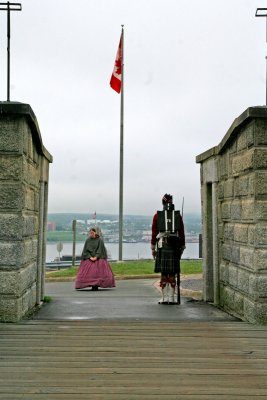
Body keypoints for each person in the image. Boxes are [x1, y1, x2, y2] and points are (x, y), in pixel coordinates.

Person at [151, 194, 185, 304]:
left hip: (163, 246)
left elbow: (154, 233)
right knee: (172, 273)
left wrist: (153, 248)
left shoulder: (157, 216)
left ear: (163, 203)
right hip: (174, 247)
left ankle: (165, 298)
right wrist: (182, 246)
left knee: (164, 273)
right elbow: (182, 233)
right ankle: (172, 298)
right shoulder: (177, 216)